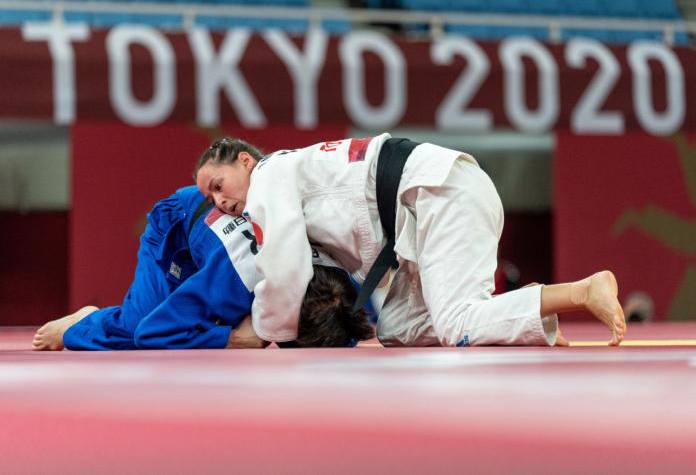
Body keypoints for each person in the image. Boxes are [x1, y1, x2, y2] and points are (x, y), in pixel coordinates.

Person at [194, 135, 626, 348]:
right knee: (399, 330)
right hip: (420, 212)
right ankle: (531, 309)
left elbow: (284, 266)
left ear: (246, 161)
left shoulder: (269, 175)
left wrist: (263, 331)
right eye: (209, 197)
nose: (218, 199)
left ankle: (583, 290)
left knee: (458, 321)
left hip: (435, 194)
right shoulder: (292, 175)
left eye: (217, 184)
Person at [32, 185, 373, 351]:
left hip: (219, 232)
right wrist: (233, 339)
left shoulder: (335, 275)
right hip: (176, 225)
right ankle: (81, 324)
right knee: (138, 324)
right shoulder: (233, 282)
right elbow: (152, 332)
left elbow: (342, 320)